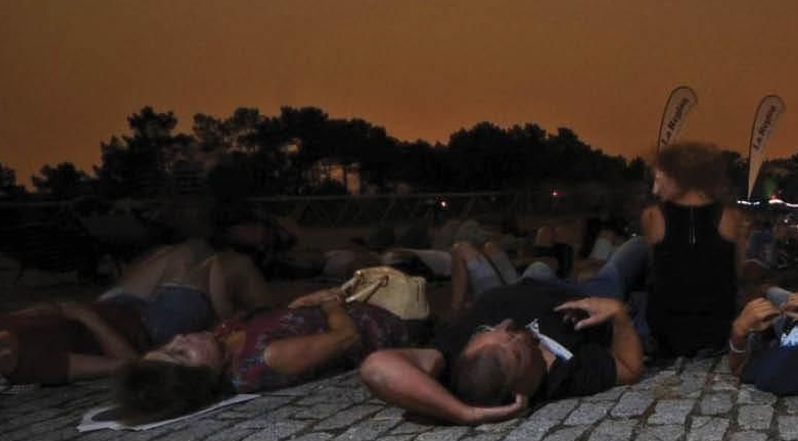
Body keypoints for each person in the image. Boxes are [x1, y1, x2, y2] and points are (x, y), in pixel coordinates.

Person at [358, 236, 650, 425]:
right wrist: (619, 314)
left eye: (485, 331)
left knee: (535, 266)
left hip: (523, 283)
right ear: (520, 389)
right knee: (634, 248)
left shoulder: (455, 362)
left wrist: (463, 413)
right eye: (514, 341)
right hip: (583, 293)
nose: (507, 325)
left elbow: (376, 367)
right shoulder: (563, 374)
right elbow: (629, 367)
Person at [0, 242, 266, 386]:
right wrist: (84, 317)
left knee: (179, 252)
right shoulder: (23, 362)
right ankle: (233, 321)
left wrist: (58, 310)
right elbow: (129, 363)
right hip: (146, 324)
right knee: (214, 264)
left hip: (111, 305)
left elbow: (50, 315)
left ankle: (230, 311)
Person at [114, 285, 409, 422]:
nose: (178, 338)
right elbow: (347, 337)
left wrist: (300, 304)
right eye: (180, 353)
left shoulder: (222, 344)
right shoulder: (269, 357)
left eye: (167, 345)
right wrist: (330, 304)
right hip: (389, 322)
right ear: (204, 377)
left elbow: (278, 322)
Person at [640, 142, 744, 359]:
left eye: (660, 180)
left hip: (666, 333)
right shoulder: (730, 216)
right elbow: (737, 272)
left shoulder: (653, 216)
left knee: (631, 254)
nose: (655, 189)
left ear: (678, 177)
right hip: (718, 331)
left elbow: (654, 271)